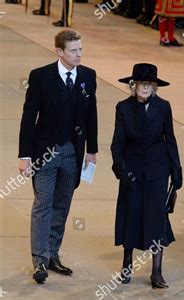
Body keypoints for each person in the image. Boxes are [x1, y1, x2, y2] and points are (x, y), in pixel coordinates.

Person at [18, 30, 98, 284]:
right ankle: (39, 260)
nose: (79, 55)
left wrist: (92, 151)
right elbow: (29, 118)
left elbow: (91, 115)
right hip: (45, 153)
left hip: (73, 152)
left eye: (80, 49)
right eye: (74, 50)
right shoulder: (41, 77)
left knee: (62, 205)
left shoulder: (88, 76)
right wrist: (25, 155)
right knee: (43, 204)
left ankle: (53, 254)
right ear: (59, 52)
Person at [111, 63, 182, 289]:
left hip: (157, 170)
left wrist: (176, 173)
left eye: (149, 84)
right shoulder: (123, 107)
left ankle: (157, 272)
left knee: (156, 217)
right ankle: (127, 264)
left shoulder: (163, 107)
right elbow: (117, 143)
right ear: (134, 85)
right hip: (131, 170)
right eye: (141, 83)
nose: (145, 87)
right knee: (130, 215)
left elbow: (170, 139)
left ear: (154, 87)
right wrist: (121, 170)